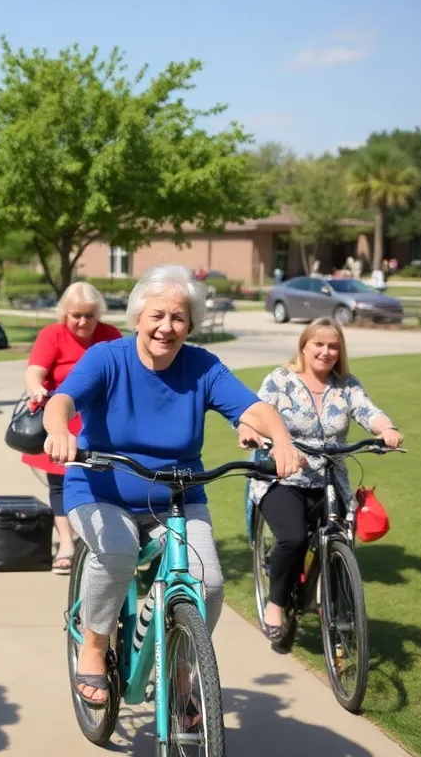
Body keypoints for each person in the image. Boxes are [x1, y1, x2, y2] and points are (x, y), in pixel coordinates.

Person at [42, 264, 302, 708]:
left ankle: (182, 662)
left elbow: (253, 408)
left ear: (191, 324)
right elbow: (63, 399)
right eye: (157, 315)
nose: (167, 327)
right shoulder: (108, 357)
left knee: (209, 585)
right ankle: (94, 643)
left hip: (176, 498)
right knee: (119, 551)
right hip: (101, 490)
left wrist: (281, 441)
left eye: (179, 318)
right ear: (138, 316)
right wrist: (60, 430)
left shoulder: (202, 367)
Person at [236, 317, 402, 646]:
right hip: (282, 477)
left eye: (333, 346)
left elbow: (368, 411)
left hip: (329, 479)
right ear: (304, 346)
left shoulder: (346, 384)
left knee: (342, 537)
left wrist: (386, 429)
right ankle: (276, 605)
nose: (326, 352)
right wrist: (249, 432)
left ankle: (337, 608)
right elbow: (252, 413)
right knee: (293, 538)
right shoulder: (281, 380)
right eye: (319, 344)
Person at [22, 282, 123, 573]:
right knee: (60, 482)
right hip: (62, 419)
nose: (82, 322)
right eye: (76, 315)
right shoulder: (51, 335)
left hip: (102, 423)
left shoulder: (110, 336)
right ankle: (67, 542)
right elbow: (34, 372)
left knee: (103, 482)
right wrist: (36, 389)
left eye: (89, 315)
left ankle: (100, 539)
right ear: (65, 313)